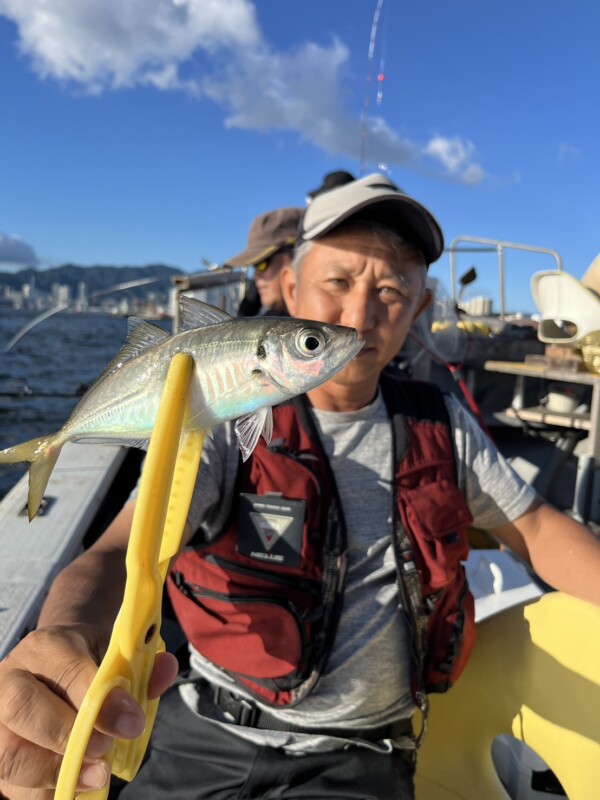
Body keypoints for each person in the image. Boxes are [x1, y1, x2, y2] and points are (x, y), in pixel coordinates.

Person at [2, 174, 600, 800]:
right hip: (201, 728)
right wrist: (65, 634)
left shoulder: (441, 422)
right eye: (337, 282)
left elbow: (536, 528)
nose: (360, 316)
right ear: (290, 288)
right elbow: (118, 553)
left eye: (392, 290)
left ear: (420, 309)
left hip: (356, 756)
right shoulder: (220, 418)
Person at [228, 206, 303, 317]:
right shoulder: (272, 319)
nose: (256, 275)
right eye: (254, 266)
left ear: (298, 258)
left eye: (262, 263)